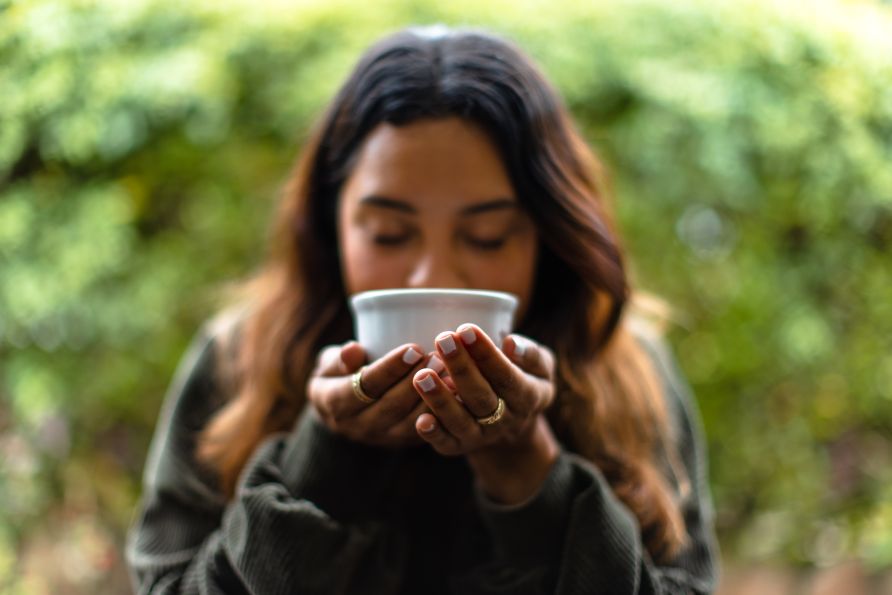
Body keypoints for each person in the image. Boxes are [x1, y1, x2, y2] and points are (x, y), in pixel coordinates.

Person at [126, 25, 719, 594]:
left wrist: (530, 473)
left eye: (487, 237)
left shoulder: (627, 367)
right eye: (388, 234)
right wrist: (323, 465)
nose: (433, 277)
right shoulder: (239, 358)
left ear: (547, 238)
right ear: (333, 224)